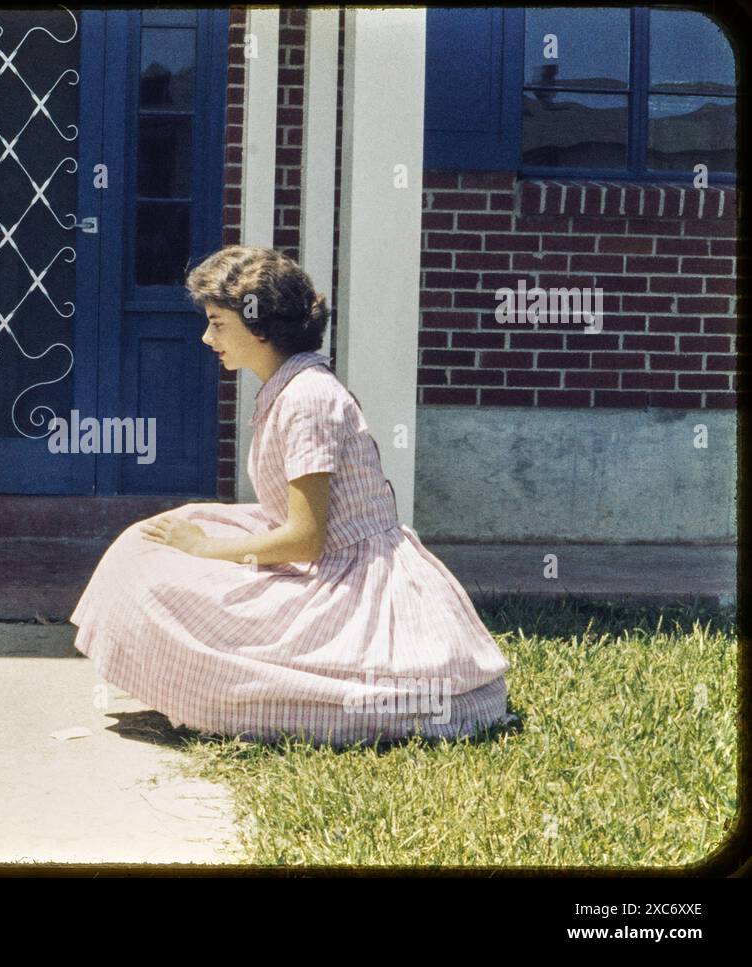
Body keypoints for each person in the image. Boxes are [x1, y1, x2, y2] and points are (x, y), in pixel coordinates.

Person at [70, 246, 513, 748]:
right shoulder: (289, 386)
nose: (206, 337)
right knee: (143, 547)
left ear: (258, 326)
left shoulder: (308, 399)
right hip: (329, 560)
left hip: (350, 580)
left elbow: (306, 540)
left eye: (217, 323)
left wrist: (201, 548)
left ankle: (231, 687)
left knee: (152, 574)